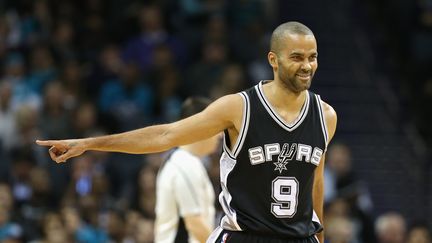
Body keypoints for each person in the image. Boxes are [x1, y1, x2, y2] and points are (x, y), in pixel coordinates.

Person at [36, 21, 337, 243]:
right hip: (246, 236)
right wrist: (89, 144)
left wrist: (320, 237)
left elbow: (316, 183)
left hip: (300, 238)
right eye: (297, 57)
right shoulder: (239, 108)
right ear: (273, 60)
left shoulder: (325, 115)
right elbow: (166, 136)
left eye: (312, 57)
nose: (307, 65)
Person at [155, 97, 219, 243]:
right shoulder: (184, 163)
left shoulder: (182, 160)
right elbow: (194, 223)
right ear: (201, 127)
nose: (220, 134)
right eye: (217, 127)